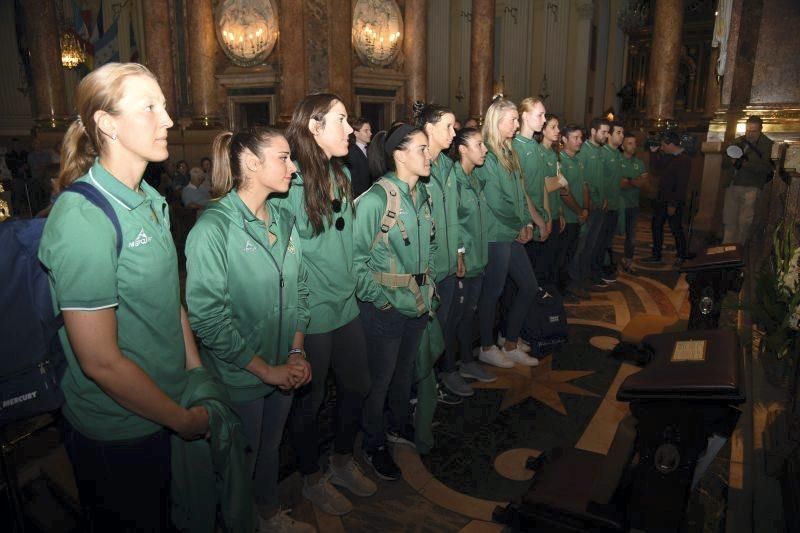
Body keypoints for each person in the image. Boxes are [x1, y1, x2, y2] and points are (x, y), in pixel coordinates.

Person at [38, 62, 209, 532]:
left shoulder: (150, 198)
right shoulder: (83, 218)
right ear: (107, 124)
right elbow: (100, 362)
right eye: (149, 107)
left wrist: (195, 375)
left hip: (166, 404)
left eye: (166, 105)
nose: (169, 120)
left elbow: (168, 300)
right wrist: (179, 418)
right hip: (119, 428)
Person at [185, 127, 314, 533]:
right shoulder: (214, 228)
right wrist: (265, 369)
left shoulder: (285, 217)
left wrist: (295, 353)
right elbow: (207, 318)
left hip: (283, 362)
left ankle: (269, 512)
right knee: (242, 457)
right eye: (284, 158)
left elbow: (301, 290)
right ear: (252, 164)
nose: (293, 168)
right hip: (242, 374)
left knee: (271, 448)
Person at [279, 94, 375, 517]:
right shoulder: (289, 183)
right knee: (310, 402)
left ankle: (340, 460)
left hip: (345, 304)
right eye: (342, 120)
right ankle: (312, 476)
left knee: (358, 386)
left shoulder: (340, 175)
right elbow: (284, 258)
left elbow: (349, 241)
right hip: (312, 314)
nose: (351, 128)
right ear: (314, 127)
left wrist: (358, 283)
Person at [354, 123, 437, 480]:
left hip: (417, 304)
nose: (429, 154)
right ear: (399, 155)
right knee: (380, 380)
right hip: (384, 308)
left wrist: (429, 287)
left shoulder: (422, 195)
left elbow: (429, 246)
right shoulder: (376, 200)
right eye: (421, 148)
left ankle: (396, 426)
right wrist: (381, 299)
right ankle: (373, 443)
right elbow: (354, 262)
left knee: (403, 375)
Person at [474, 97, 540, 368]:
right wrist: (518, 226)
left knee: (529, 286)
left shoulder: (509, 149)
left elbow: (517, 192)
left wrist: (526, 222)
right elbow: (496, 199)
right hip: (496, 233)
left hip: (512, 230)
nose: (516, 124)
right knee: (493, 291)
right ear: (496, 122)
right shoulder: (488, 152)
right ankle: (486, 346)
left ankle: (510, 341)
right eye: (512, 120)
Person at [412, 102, 463, 395]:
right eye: (448, 126)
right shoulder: (416, 165)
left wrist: (459, 251)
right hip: (427, 266)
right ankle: (421, 387)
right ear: (429, 128)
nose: (453, 132)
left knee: (444, 326)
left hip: (447, 261)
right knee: (423, 334)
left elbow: (454, 214)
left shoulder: (447, 165)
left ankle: (440, 377)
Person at [444, 127, 496, 387]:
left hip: (479, 259)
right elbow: (453, 221)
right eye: (479, 145)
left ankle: (466, 361)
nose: (484, 149)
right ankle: (448, 370)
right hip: (463, 261)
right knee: (453, 318)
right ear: (462, 149)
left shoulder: (474, 178)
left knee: (468, 315)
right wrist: (460, 254)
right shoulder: (454, 178)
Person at [721, 115, 774, 245]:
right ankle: (726, 250)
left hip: (751, 187)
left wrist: (744, 164)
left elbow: (766, 168)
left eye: (753, 131)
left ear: (760, 130)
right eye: (748, 130)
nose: (750, 134)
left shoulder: (767, 145)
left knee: (745, 222)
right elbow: (724, 163)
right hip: (733, 184)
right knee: (729, 219)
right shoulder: (738, 141)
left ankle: (739, 250)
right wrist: (731, 160)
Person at [642, 131, 690, 265]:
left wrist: (673, 204)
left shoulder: (684, 159)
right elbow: (656, 168)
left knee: (676, 228)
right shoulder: (669, 156)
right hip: (662, 198)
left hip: (673, 201)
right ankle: (656, 254)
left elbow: (681, 184)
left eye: (663, 145)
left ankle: (681, 255)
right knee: (656, 226)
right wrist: (653, 152)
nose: (662, 148)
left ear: (671, 144)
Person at [574, 118, 611, 289]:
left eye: (607, 132)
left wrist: (604, 198)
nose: (606, 135)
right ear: (594, 131)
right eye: (603, 132)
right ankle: (576, 280)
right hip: (588, 206)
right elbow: (585, 182)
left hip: (600, 206)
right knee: (582, 245)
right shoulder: (583, 151)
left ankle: (587, 276)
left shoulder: (601, 151)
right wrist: (591, 203)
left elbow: (602, 179)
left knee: (593, 245)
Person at [591, 120, 624, 282]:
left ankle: (602, 269)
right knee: (596, 242)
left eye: (622, 133)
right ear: (609, 135)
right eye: (618, 132)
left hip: (614, 205)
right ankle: (594, 271)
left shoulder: (618, 153)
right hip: (602, 205)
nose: (622, 136)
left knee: (605, 242)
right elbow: (595, 181)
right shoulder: (602, 153)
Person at [618, 132, 648, 272]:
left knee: (631, 236)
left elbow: (643, 182)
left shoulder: (639, 163)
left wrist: (629, 180)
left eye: (635, 143)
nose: (633, 146)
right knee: (612, 234)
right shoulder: (617, 160)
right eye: (630, 143)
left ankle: (628, 261)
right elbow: (619, 183)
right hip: (618, 204)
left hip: (633, 205)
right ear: (623, 146)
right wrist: (633, 181)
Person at [347, 117, 373, 197]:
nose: (370, 133)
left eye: (370, 130)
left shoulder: (371, 149)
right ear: (356, 133)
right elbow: (354, 183)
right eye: (366, 131)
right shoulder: (351, 152)